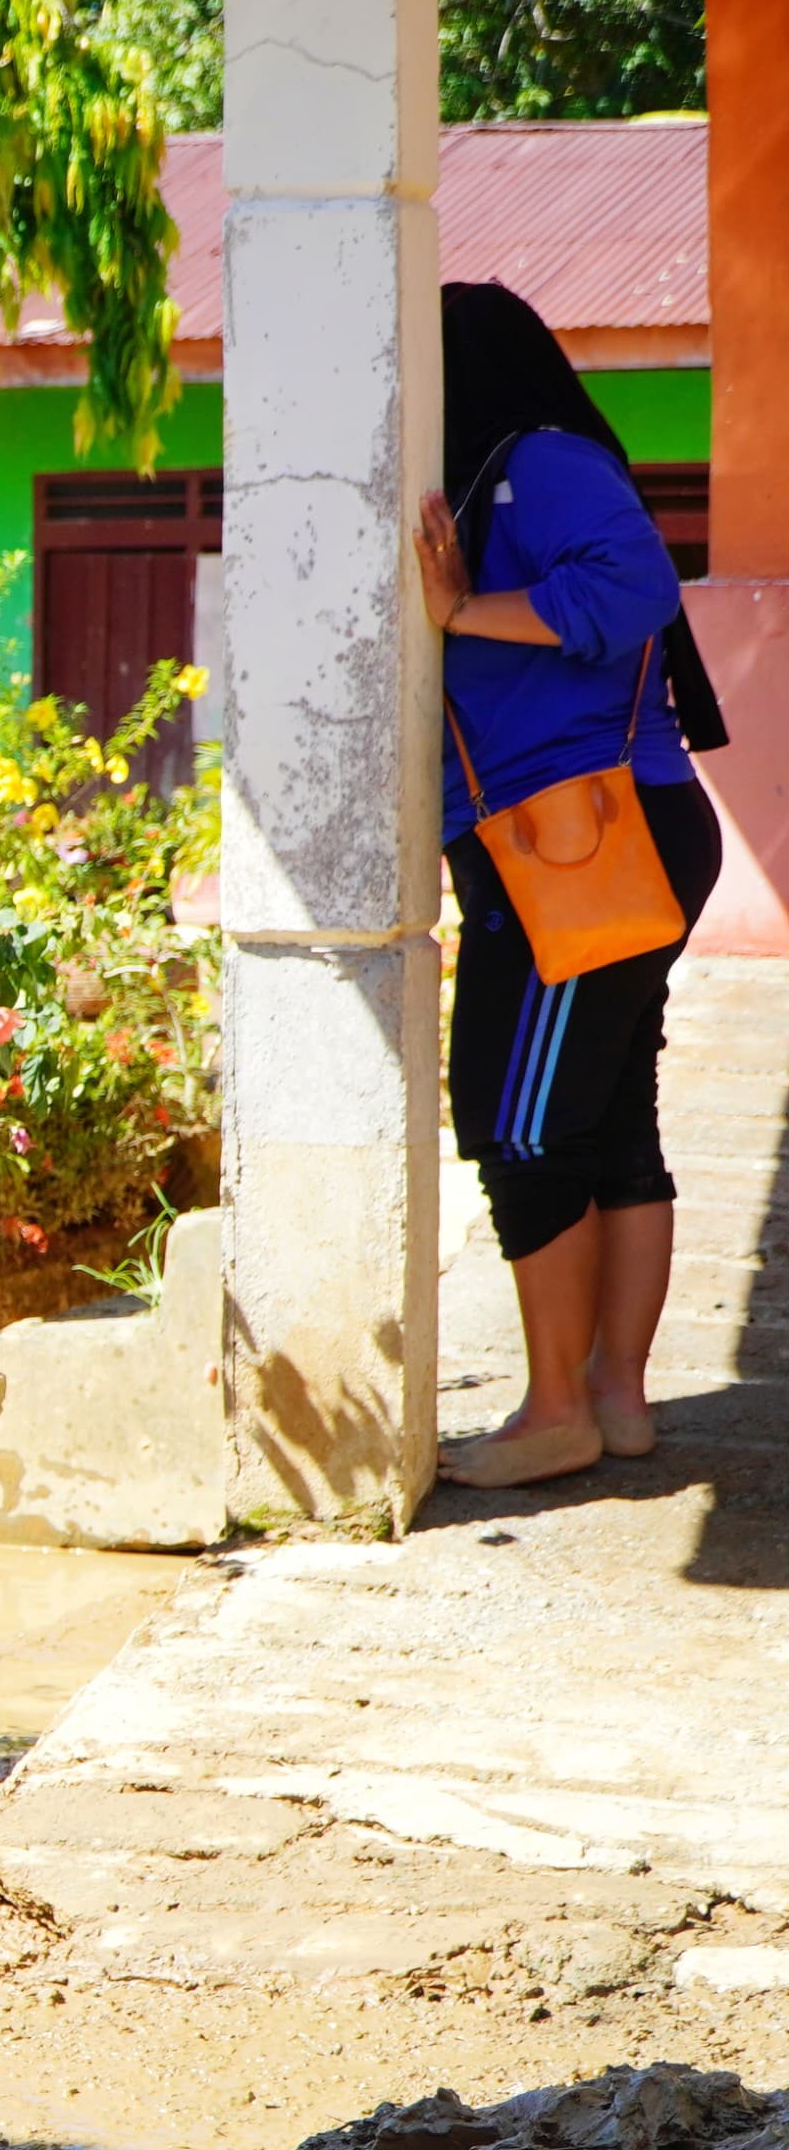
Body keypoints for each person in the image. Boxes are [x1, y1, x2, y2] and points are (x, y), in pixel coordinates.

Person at [415, 279, 730, 1488]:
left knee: (521, 1116)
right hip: (599, 833)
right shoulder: (505, 470)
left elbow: (634, 586)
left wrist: (462, 610)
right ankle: (612, 1400)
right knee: (604, 1116)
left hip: (580, 838)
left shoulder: (534, 462)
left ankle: (553, 1412)